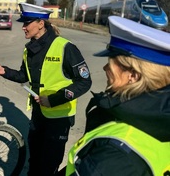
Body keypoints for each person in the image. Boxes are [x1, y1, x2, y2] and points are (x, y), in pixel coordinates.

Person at [0, 2, 92, 175]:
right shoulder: (29, 50)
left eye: (27, 23)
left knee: (48, 165)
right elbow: (24, 76)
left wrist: (54, 99)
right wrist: (3, 71)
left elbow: (84, 81)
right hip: (38, 114)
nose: (23, 27)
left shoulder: (65, 47)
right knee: (34, 160)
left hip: (59, 117)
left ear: (41, 24)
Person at [65, 16, 170, 176]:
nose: (105, 68)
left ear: (133, 76)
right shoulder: (158, 119)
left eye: (111, 63)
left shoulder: (116, 154)